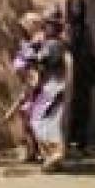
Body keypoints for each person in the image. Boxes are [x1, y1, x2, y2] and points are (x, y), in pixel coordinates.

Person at [62, 0, 95, 155]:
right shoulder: (66, 28)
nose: (76, 9)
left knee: (83, 108)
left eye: (79, 6)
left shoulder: (86, 29)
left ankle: (81, 142)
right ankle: (67, 141)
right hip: (69, 71)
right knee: (68, 107)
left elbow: (91, 49)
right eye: (74, 7)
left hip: (84, 72)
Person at [30, 17, 70, 171]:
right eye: (46, 25)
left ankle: (56, 154)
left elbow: (47, 63)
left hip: (54, 86)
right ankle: (50, 155)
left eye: (51, 26)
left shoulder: (55, 45)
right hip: (50, 86)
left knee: (45, 120)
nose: (47, 28)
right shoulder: (50, 44)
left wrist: (35, 57)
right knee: (43, 120)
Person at [10, 11, 47, 163]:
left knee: (33, 118)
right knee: (25, 118)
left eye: (26, 24)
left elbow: (35, 63)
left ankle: (38, 151)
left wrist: (32, 80)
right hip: (26, 80)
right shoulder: (27, 41)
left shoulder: (39, 40)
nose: (23, 27)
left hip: (34, 82)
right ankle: (30, 150)